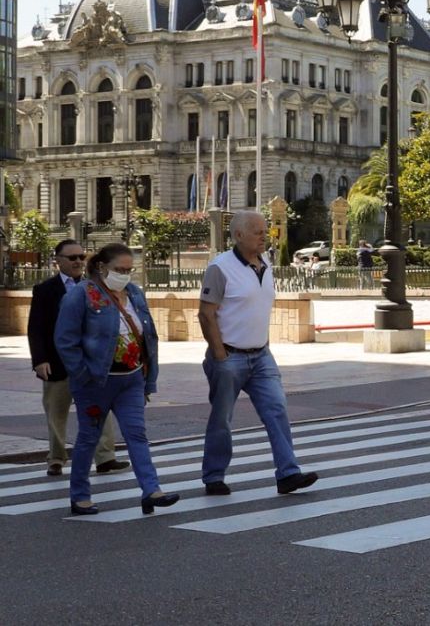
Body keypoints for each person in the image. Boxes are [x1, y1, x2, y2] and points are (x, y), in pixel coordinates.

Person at [198, 212, 318, 496]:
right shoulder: (220, 268)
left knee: (277, 409)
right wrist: (220, 356)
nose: (265, 236)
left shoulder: (265, 262)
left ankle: (288, 473)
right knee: (222, 418)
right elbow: (206, 314)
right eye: (258, 232)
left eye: (266, 231)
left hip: (261, 354)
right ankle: (213, 476)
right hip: (229, 355)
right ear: (238, 235)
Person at [53, 243, 177, 516]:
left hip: (130, 379)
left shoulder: (133, 293)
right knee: (89, 437)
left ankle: (151, 490)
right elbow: (65, 340)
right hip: (96, 382)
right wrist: (83, 375)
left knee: (137, 434)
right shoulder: (83, 295)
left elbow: (148, 336)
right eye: (119, 269)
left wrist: (147, 380)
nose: (125, 274)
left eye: (129, 270)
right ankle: (80, 496)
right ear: (101, 267)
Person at [28, 239, 123, 477]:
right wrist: (40, 360)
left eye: (82, 257)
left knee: (100, 410)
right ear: (57, 261)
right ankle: (57, 459)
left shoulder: (95, 287)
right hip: (57, 364)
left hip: (90, 364)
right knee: (56, 413)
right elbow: (36, 328)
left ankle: (105, 458)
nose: (79, 262)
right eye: (72, 258)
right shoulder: (45, 290)